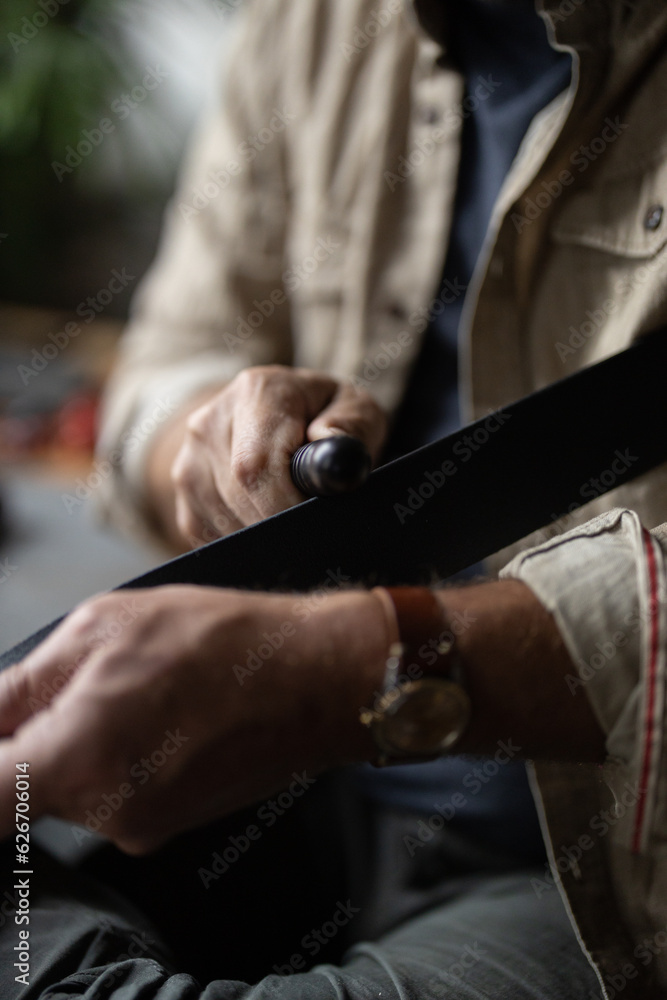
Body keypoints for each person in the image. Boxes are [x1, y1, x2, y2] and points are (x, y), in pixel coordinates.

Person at [1, 0, 667, 996]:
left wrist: (347, 672)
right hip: (313, 788)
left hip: (610, 848)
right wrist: (208, 440)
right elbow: (168, 355)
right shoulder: (314, 19)